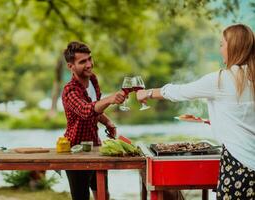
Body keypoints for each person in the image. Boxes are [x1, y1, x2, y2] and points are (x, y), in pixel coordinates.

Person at [137, 24, 255, 199]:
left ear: (233, 47)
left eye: (222, 44)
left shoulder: (221, 79)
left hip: (239, 165)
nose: (220, 49)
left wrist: (147, 93)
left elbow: (181, 91)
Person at [62, 41, 126, 200]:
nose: (89, 64)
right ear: (71, 66)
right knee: (81, 197)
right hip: (75, 150)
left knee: (103, 194)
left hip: (95, 147)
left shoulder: (93, 80)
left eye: (89, 59)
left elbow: (94, 108)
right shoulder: (70, 90)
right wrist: (110, 99)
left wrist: (108, 122)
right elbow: (85, 110)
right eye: (82, 62)